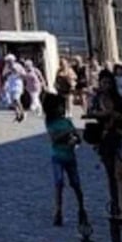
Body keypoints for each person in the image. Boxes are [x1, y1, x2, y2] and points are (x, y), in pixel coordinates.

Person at [88, 68, 122, 223]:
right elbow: (90, 114)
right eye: (104, 83)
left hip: (121, 138)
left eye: (109, 82)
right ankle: (115, 206)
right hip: (105, 139)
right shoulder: (96, 99)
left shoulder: (120, 99)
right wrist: (102, 115)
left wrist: (117, 116)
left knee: (120, 174)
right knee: (111, 175)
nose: (106, 86)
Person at [44, 93, 88, 228]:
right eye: (59, 107)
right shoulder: (51, 123)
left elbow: (78, 138)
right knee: (59, 183)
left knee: (76, 184)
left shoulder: (67, 121)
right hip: (58, 156)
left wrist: (75, 139)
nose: (62, 109)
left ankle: (82, 209)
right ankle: (58, 211)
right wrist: (67, 133)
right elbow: (54, 139)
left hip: (70, 156)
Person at [3, 54, 27, 122]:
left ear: (13, 60)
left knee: (16, 99)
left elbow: (24, 75)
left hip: (17, 84)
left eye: (9, 61)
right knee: (13, 101)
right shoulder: (6, 67)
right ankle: (17, 115)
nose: (8, 62)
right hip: (10, 85)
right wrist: (9, 73)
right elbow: (4, 75)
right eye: (7, 61)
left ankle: (22, 113)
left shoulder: (18, 66)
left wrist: (17, 72)